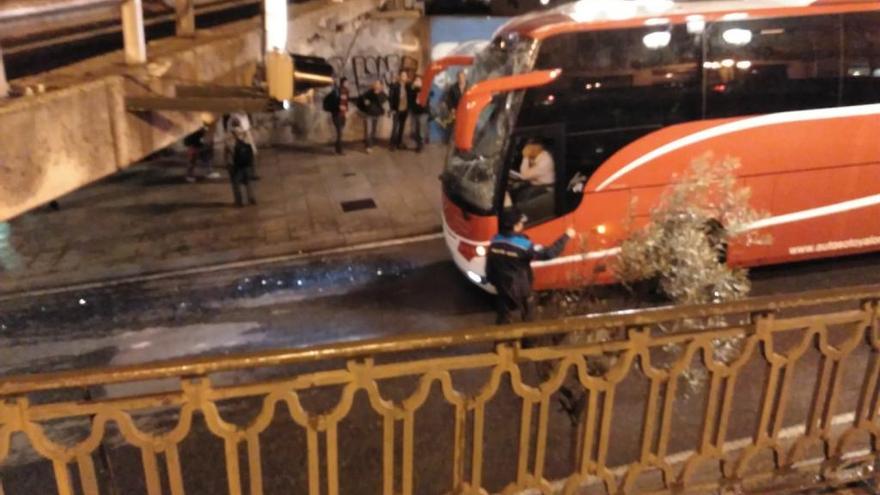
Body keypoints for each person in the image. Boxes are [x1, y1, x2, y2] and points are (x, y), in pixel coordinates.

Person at [485, 208, 575, 324]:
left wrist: (495, 282)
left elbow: (489, 268)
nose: (523, 224)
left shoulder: (494, 242)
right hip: (521, 290)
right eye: (521, 222)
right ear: (515, 226)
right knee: (528, 319)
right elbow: (548, 253)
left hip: (502, 288)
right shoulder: (523, 246)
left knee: (504, 318)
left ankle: (506, 335)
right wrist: (566, 237)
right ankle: (529, 339)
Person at [510, 138, 556, 203]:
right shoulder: (538, 156)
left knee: (519, 197)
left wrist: (526, 157)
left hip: (544, 188)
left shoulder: (545, 161)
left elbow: (524, 175)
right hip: (535, 183)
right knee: (513, 189)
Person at [226, 124, 257, 207]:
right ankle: (251, 198)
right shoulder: (247, 139)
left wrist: (227, 164)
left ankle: (239, 201)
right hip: (246, 164)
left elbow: (229, 154)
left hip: (236, 166)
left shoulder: (230, 142)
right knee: (248, 182)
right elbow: (252, 151)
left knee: (236, 184)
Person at [357, 80, 388, 153]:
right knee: (368, 130)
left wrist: (378, 93)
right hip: (369, 114)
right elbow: (363, 97)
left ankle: (371, 142)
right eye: (375, 83)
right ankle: (368, 146)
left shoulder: (382, 94)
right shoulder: (370, 92)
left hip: (377, 114)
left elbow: (383, 101)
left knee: (373, 130)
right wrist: (365, 101)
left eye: (378, 84)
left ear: (381, 85)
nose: (376, 85)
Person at [323, 77, 350, 154]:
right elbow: (333, 101)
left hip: (343, 114)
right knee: (339, 132)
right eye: (346, 82)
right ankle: (339, 150)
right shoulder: (336, 91)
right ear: (343, 83)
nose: (348, 84)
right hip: (337, 113)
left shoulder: (347, 91)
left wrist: (346, 112)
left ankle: (337, 148)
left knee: (340, 132)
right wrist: (337, 107)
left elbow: (346, 102)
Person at [388, 70, 412, 150]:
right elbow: (390, 98)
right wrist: (392, 109)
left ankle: (399, 143)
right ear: (399, 77)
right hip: (396, 109)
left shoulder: (408, 86)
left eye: (405, 76)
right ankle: (392, 144)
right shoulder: (395, 86)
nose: (403, 77)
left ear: (406, 77)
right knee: (395, 127)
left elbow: (412, 96)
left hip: (405, 110)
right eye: (402, 75)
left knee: (402, 127)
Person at [409, 75, 429, 153]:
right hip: (415, 111)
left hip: (423, 112)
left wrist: (420, 87)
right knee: (415, 129)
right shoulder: (413, 89)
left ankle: (420, 145)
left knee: (421, 129)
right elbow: (410, 99)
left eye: (419, 80)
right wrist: (413, 87)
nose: (417, 82)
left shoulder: (425, 89)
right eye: (416, 80)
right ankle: (418, 143)